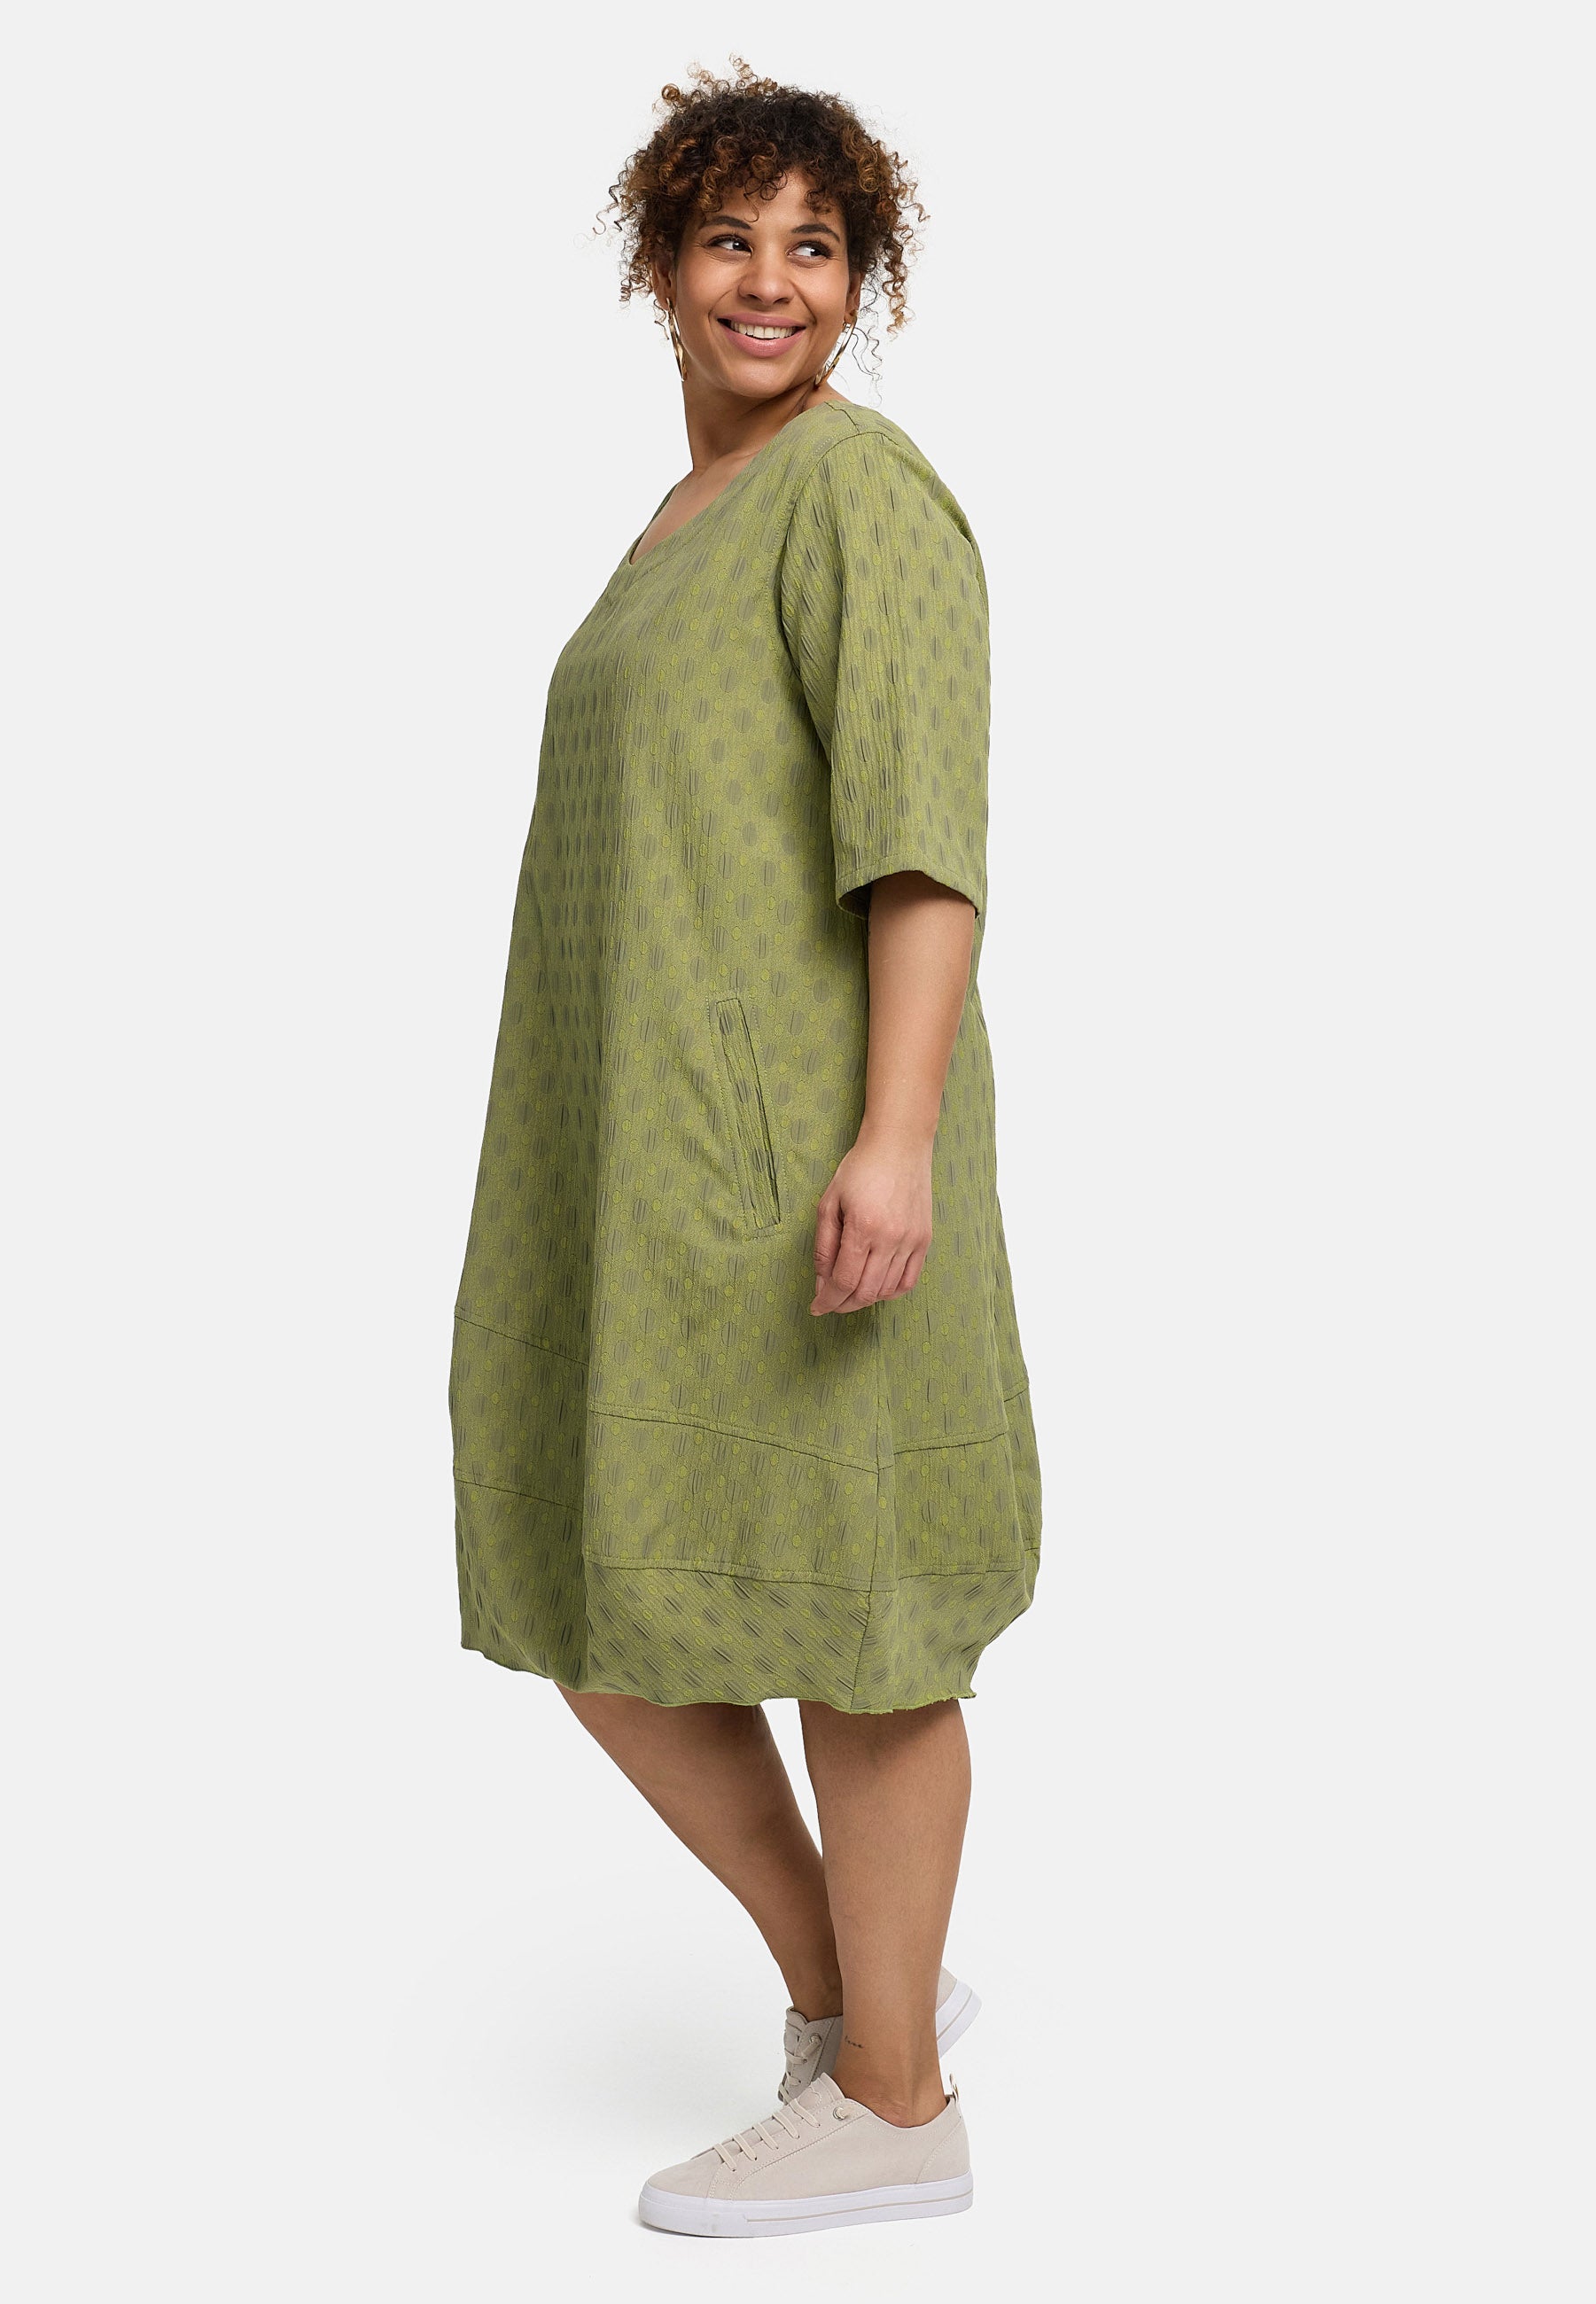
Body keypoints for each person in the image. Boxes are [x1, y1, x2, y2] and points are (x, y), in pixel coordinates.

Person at [449, 59, 1043, 2238]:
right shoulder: (676, 522)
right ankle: (852, 1999)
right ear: (661, 264)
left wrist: (893, 1133)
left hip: (807, 1160)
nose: (770, 280)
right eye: (729, 238)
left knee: (857, 1613)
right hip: (633, 1172)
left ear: (861, 281)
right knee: (595, 1585)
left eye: (816, 245)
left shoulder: (856, 491)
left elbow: (921, 842)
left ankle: (895, 2109)